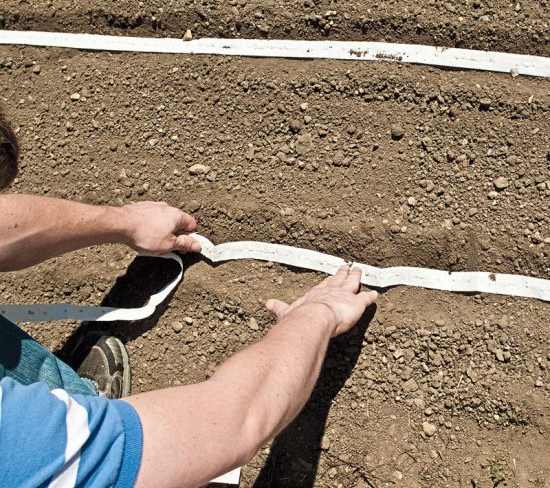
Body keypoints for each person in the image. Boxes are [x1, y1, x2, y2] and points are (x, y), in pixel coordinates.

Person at [0, 108, 378, 487]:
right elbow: (233, 425)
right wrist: (318, 314)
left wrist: (125, 221)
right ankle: (80, 422)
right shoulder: (14, 442)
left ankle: (61, 399)